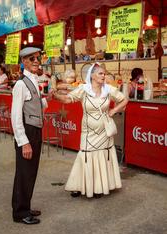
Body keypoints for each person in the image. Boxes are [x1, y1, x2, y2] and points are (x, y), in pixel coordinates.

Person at [54, 63, 128, 198]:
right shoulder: (83, 89)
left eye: (104, 73)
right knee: (86, 155)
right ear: (92, 75)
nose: (103, 76)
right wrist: (55, 95)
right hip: (88, 132)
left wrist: (114, 110)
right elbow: (67, 99)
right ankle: (80, 185)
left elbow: (124, 100)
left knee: (103, 156)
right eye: (100, 73)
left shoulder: (109, 89)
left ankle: (100, 186)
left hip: (105, 132)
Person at [11, 47, 52, 224]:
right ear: (23, 62)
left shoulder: (33, 80)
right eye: (32, 58)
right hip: (27, 132)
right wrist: (23, 142)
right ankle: (20, 213)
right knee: (24, 172)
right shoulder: (20, 84)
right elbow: (15, 116)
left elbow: (34, 104)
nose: (36, 61)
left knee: (31, 172)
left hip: (35, 129)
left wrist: (47, 98)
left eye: (38, 57)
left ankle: (25, 206)